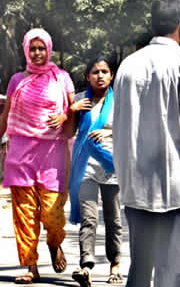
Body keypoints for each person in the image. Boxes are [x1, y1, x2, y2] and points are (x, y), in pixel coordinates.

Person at [113, 0, 180, 287]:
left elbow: (118, 126)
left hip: (137, 186)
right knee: (176, 271)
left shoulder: (128, 67)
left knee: (141, 267)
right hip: (176, 189)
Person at [0, 28, 74, 283]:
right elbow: (6, 114)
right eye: (33, 48)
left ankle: (55, 243)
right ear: (26, 50)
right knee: (24, 214)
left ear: (49, 49)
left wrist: (65, 115)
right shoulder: (16, 80)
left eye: (42, 48)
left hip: (52, 153)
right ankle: (31, 266)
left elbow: (73, 111)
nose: (38, 53)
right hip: (20, 152)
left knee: (53, 216)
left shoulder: (62, 78)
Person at [65, 55, 122, 286]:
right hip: (85, 166)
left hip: (112, 165)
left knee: (113, 219)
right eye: (95, 72)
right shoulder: (80, 100)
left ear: (112, 75)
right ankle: (85, 266)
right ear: (87, 77)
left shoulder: (120, 100)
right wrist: (71, 110)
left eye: (105, 72)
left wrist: (110, 132)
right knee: (89, 218)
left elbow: (132, 129)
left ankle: (115, 264)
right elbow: (69, 133)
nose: (100, 76)